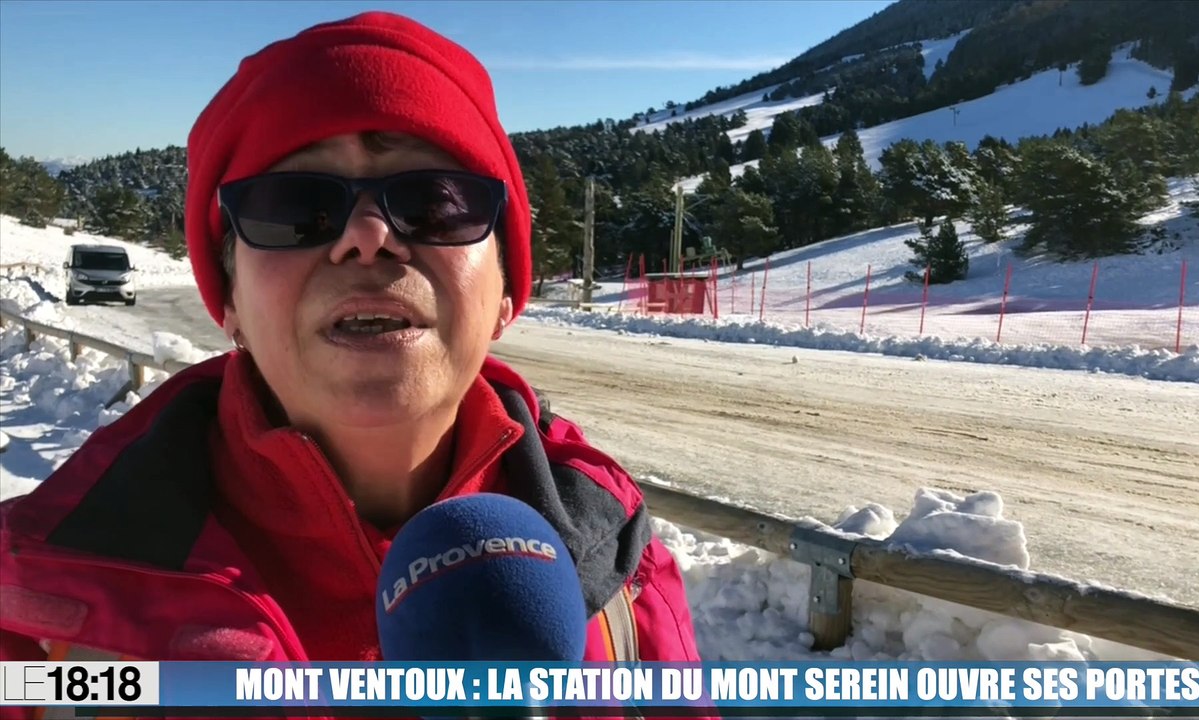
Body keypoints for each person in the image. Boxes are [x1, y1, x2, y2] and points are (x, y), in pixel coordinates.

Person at [0, 10, 707, 718]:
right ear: (232, 301)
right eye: (293, 207)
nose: (367, 238)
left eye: (434, 202)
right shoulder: (36, 612)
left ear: (506, 289)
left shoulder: (621, 570)